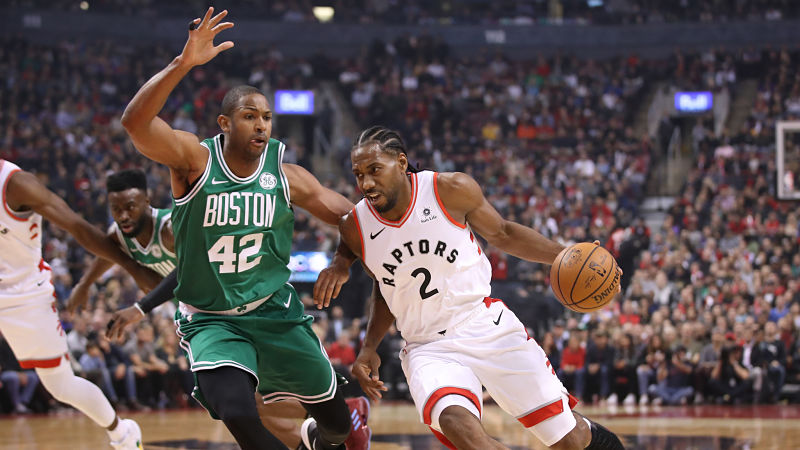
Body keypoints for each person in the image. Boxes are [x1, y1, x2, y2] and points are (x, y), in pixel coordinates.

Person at [120, 8, 368, 449]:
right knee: (237, 411)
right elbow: (135, 124)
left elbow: (354, 218)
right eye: (250, 116)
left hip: (273, 310)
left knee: (336, 427)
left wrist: (342, 262)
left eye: (267, 117)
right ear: (225, 123)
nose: (261, 125)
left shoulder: (286, 175)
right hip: (211, 319)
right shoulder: (194, 161)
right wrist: (183, 63)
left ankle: (317, 434)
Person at [332, 126, 624, 449]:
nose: (366, 183)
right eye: (359, 174)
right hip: (428, 347)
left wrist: (566, 256)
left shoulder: (449, 189)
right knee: (459, 426)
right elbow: (387, 287)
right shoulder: (355, 227)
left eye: (374, 170)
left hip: (483, 324)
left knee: (570, 439)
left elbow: (503, 233)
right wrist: (369, 346)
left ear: (401, 163)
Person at [0, 159, 161, 449]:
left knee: (60, 385)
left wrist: (132, 268)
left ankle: (122, 434)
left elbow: (77, 226)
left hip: (23, 296)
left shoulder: (16, 184)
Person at [67, 168, 177, 315]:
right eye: (116, 209)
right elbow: (108, 255)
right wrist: (84, 284)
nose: (123, 216)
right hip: (187, 308)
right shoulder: (118, 235)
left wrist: (142, 307)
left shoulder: (170, 230)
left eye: (130, 207)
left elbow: (191, 269)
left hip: (207, 299)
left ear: (146, 201)